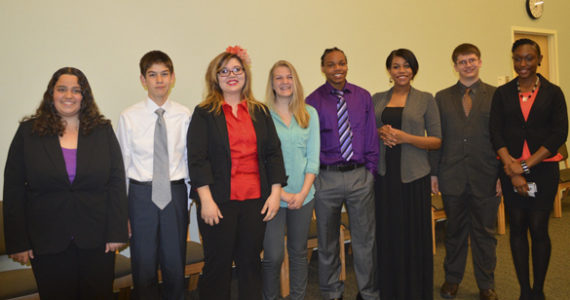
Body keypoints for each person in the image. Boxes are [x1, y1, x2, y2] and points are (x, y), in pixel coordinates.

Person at [3, 67, 128, 299]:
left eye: (76, 90)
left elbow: (116, 183)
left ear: (84, 96)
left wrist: (117, 231)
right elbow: (13, 188)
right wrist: (18, 241)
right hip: (47, 239)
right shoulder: (28, 133)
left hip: (97, 238)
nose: (68, 95)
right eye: (62, 89)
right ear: (52, 93)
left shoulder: (102, 131)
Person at [187, 46, 287, 300]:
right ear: (215, 78)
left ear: (245, 74)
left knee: (250, 264)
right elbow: (197, 160)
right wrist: (205, 201)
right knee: (217, 267)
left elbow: (274, 153)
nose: (231, 75)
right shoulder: (204, 113)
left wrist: (276, 193)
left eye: (237, 69)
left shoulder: (260, 111)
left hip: (255, 201)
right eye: (224, 71)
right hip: (218, 203)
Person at [490, 38, 568, 300]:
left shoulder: (553, 92)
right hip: (510, 169)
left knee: (539, 228)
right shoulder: (502, 93)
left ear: (539, 60)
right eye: (517, 58)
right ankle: (524, 290)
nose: (522, 64)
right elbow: (495, 132)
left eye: (528, 58)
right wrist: (512, 170)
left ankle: (539, 290)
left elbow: (559, 133)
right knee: (518, 228)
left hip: (543, 170)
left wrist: (523, 165)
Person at [116, 50, 191, 300]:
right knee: (144, 264)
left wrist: (187, 201)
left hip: (175, 193)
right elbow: (122, 166)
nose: (159, 80)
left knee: (175, 263)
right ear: (142, 80)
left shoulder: (185, 115)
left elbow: (190, 161)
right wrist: (124, 210)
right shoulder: (128, 117)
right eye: (152, 75)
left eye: (164, 74)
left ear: (172, 78)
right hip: (141, 195)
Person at [306, 47, 379, 300]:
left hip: (360, 176)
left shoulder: (363, 96)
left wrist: (370, 172)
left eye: (342, 63)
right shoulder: (312, 102)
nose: (337, 68)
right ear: (323, 68)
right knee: (327, 243)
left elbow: (371, 136)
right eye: (331, 64)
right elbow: (310, 144)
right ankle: (331, 292)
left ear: (347, 65)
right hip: (327, 179)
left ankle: (369, 292)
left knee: (365, 241)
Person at [430, 43, 501, 300]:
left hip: (487, 177)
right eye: (462, 61)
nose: (467, 65)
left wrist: (503, 175)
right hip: (452, 177)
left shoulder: (497, 95)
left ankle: (486, 284)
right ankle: (452, 279)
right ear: (455, 66)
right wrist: (434, 173)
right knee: (454, 232)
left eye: (472, 60)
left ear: (480, 62)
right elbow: (437, 139)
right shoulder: (442, 97)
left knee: (485, 234)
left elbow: (503, 138)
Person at [372, 48, 441, 300]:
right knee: (388, 234)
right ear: (389, 71)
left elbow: (436, 140)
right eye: (395, 66)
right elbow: (368, 132)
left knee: (412, 236)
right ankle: (390, 289)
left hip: (413, 178)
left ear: (414, 69)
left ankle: (415, 291)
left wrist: (405, 138)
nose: (401, 71)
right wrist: (380, 133)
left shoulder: (426, 98)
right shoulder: (377, 98)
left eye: (406, 66)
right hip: (384, 177)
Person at [261, 60, 320, 300]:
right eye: (279, 78)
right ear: (272, 83)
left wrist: (303, 193)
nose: (285, 82)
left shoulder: (309, 113)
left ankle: (298, 296)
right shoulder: (262, 115)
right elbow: (261, 161)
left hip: (304, 196)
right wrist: (282, 194)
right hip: (274, 198)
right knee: (273, 256)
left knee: (298, 251)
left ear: (295, 81)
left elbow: (313, 158)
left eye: (289, 77)